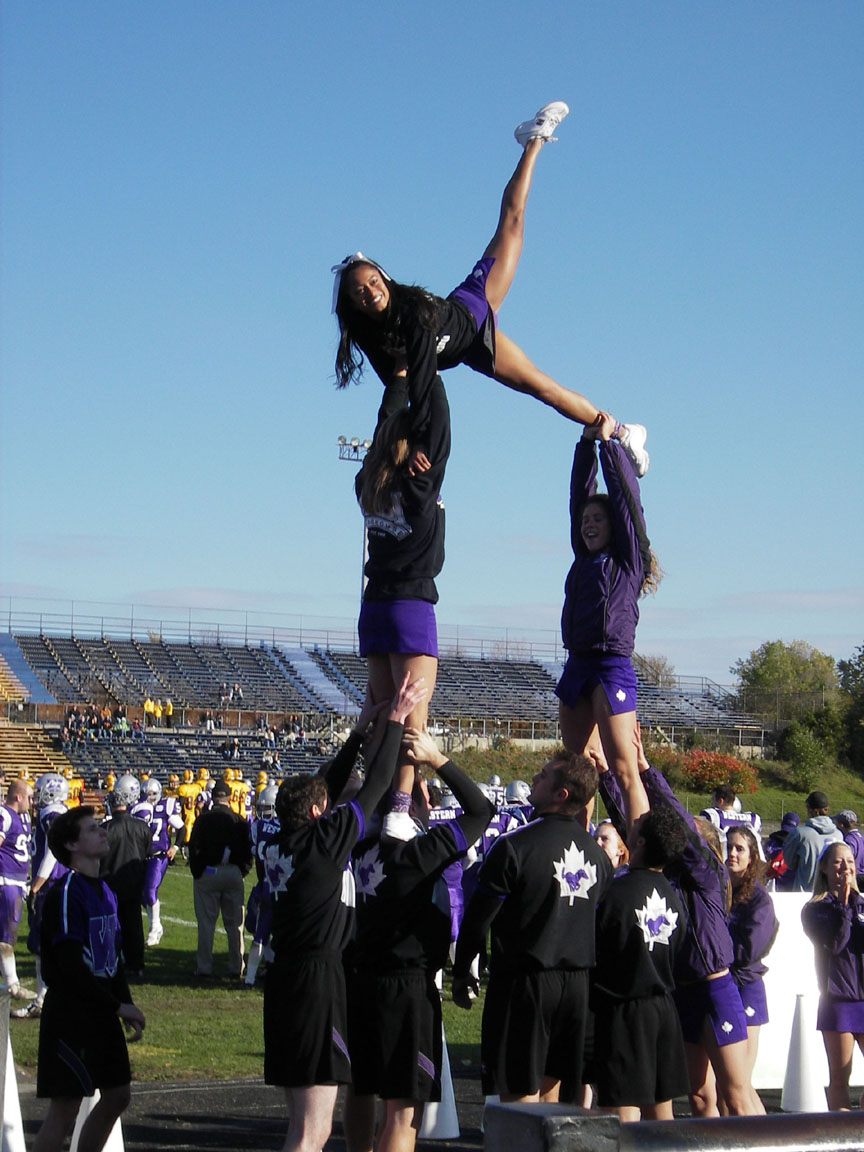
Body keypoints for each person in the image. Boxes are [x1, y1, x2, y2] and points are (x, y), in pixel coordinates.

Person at [332, 102, 648, 472]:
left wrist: (419, 435)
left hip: (473, 305)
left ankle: (535, 139)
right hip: (472, 348)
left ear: (385, 278)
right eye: (360, 292)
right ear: (352, 303)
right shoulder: (373, 338)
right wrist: (387, 447)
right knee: (543, 389)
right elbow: (400, 389)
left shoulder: (410, 313)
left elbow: (421, 385)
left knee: (512, 223)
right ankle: (624, 431)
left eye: (373, 281)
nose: (371, 291)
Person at [262, 674, 427, 1152]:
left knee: (298, 1125)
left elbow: (323, 791)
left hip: (283, 978)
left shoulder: (274, 842)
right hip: (318, 981)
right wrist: (393, 722)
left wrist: (358, 734)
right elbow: (373, 786)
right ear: (319, 815)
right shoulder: (325, 843)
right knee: (314, 1132)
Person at [344, 728, 493, 1152]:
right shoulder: (418, 853)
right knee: (401, 1110)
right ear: (415, 805)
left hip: (361, 980)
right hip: (406, 990)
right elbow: (480, 811)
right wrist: (437, 759)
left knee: (360, 1088)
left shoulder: (359, 846)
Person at [452, 751, 612, 1103]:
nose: (534, 780)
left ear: (561, 795)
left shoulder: (514, 846)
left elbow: (478, 920)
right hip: (577, 989)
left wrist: (463, 971)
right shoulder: (599, 857)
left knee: (518, 1098)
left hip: (525, 983)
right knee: (551, 1097)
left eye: (542, 776)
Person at [354, 372, 450, 827]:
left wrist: (397, 382)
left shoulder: (366, 483)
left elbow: (382, 431)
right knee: (412, 718)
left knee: (380, 713)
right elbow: (442, 429)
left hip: (373, 607)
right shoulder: (419, 485)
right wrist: (429, 374)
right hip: (410, 605)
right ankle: (397, 810)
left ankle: (375, 803)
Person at [556, 426, 659, 828]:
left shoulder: (628, 560)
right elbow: (577, 498)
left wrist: (607, 446)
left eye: (598, 518)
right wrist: (583, 446)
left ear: (613, 525)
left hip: (612, 665)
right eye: (585, 520)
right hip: (577, 664)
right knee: (578, 770)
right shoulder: (582, 558)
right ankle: (578, 847)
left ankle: (640, 854)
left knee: (623, 767)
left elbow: (626, 503)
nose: (589, 524)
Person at [32, 806, 145, 1152]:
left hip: (101, 1011)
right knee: (64, 1110)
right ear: (72, 844)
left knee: (117, 1095)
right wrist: (116, 1006)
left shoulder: (106, 892)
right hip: (72, 1015)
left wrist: (124, 1002)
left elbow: (114, 960)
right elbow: (69, 967)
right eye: (92, 829)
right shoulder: (67, 892)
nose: (102, 832)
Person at [590, 806, 690, 1121]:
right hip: (663, 1009)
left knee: (620, 1117)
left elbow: (596, 950)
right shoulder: (674, 899)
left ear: (641, 842)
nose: (632, 822)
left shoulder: (615, 892)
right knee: (662, 1116)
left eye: (639, 823)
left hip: (623, 1012)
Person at [802, 841, 864, 1110]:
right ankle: (842, 1143)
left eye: (849, 861)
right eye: (838, 862)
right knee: (840, 1079)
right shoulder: (816, 909)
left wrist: (853, 903)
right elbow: (836, 944)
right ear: (825, 868)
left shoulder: (861, 904)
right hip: (838, 1000)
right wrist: (843, 906)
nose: (845, 867)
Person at [725, 825, 778, 1115]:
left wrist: (714, 952)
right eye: (729, 847)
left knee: (740, 1084)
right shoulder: (719, 889)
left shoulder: (760, 900)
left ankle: (765, 1140)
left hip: (745, 989)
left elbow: (747, 951)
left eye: (739, 849)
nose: (732, 853)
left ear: (752, 856)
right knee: (730, 1086)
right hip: (722, 987)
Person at [13, 773, 70, 1020]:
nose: (35, 796)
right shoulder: (60, 812)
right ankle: (51, 997)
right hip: (59, 883)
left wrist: (36, 886)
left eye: (39, 791)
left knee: (41, 944)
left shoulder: (51, 815)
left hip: (50, 885)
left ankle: (42, 999)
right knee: (54, 943)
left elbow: (53, 852)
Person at [188, 778, 253, 979]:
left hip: (209, 873)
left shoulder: (203, 820)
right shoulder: (239, 821)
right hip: (233, 872)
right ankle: (236, 966)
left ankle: (205, 967)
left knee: (206, 923)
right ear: (229, 798)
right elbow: (248, 850)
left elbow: (194, 848)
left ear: (213, 798)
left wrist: (198, 871)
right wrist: (241, 870)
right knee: (235, 925)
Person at [100, 774, 152, 978]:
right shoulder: (142, 827)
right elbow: (147, 853)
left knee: (111, 926)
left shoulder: (105, 829)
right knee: (134, 925)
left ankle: (113, 960)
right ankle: (136, 963)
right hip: (134, 882)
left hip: (110, 883)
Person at [136, 777, 184, 947]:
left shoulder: (165, 806)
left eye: (152, 794)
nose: (149, 797)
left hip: (158, 856)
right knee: (142, 896)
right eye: (146, 794)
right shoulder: (138, 807)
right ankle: (155, 925)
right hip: (141, 857)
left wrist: (176, 847)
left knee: (150, 892)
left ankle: (155, 928)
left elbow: (181, 827)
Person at [0, 777, 34, 999]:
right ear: (18, 796)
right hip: (6, 882)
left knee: (7, 935)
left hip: (17, 882)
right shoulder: (5, 814)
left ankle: (12, 982)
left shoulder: (23, 817)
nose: (32, 802)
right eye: (29, 797)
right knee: (6, 936)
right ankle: (12, 984)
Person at [783, 790, 842, 892]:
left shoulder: (800, 833)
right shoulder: (839, 835)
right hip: (830, 893)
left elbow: (789, 863)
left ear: (811, 810)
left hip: (804, 893)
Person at [701, 785, 763, 854]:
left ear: (720, 801)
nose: (712, 803)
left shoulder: (713, 815)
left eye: (713, 800)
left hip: (723, 859)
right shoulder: (752, 818)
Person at [834, 810, 864, 884]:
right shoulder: (861, 837)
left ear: (841, 825)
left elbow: (847, 859)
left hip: (855, 878)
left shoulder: (849, 840)